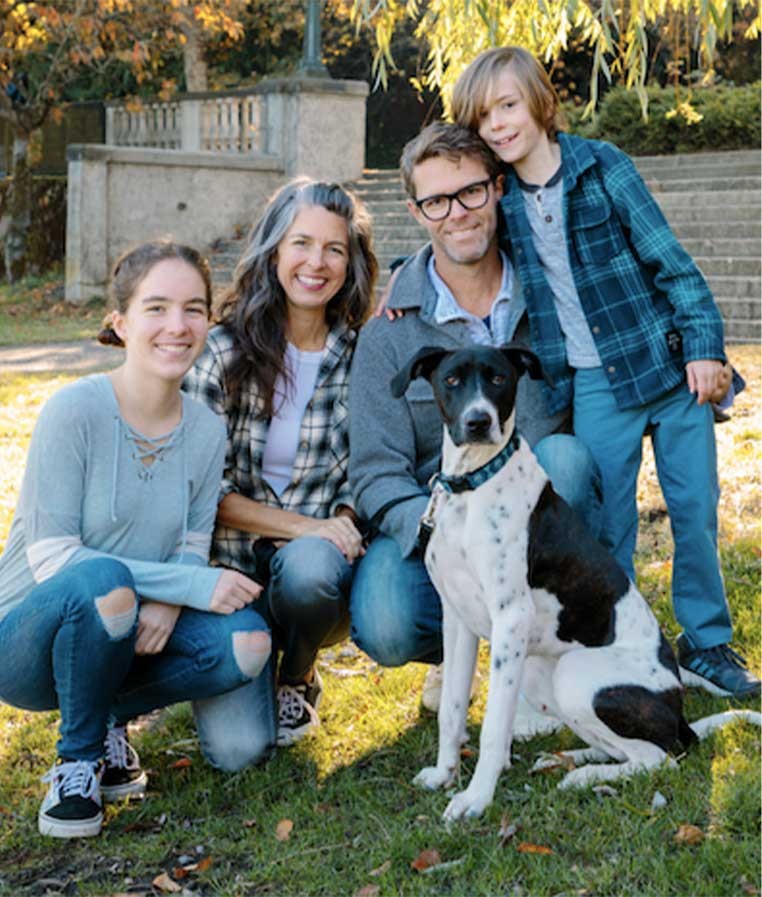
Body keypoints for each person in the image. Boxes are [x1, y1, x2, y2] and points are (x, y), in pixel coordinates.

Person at [450, 45, 759, 698]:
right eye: (483, 118)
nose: (499, 124)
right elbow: (453, 241)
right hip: (594, 385)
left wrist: (704, 347)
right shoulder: (499, 202)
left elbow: (671, 261)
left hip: (668, 365)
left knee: (695, 509)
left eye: (508, 105)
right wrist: (402, 281)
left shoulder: (603, 168)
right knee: (607, 525)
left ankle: (706, 642)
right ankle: (623, 643)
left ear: (538, 101)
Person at [0, 241, 270, 839]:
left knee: (247, 643)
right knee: (103, 582)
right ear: (120, 323)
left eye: (194, 308)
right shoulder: (74, 410)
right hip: (26, 639)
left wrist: (175, 599)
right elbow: (53, 556)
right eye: (157, 307)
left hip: (127, 622)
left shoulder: (204, 429)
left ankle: (111, 719)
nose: (178, 326)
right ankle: (77, 764)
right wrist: (190, 585)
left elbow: (193, 537)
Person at [348, 122, 602, 714]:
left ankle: (543, 650)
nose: (456, 213)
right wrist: (444, 531)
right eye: (437, 200)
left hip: (533, 517)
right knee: (385, 616)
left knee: (565, 456)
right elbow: (374, 471)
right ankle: (453, 654)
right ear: (416, 210)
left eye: (471, 192)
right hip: (438, 524)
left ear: (498, 190)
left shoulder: (548, 296)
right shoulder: (390, 331)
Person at [184, 178, 377, 747]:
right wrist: (309, 527)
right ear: (273, 249)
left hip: (314, 575)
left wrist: (337, 521)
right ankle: (242, 659)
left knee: (313, 568)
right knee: (239, 750)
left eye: (334, 249)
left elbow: (368, 467)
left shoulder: (361, 354)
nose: (316, 263)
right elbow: (200, 493)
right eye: (301, 243)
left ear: (351, 263)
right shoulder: (222, 350)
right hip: (229, 577)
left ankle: (297, 672)